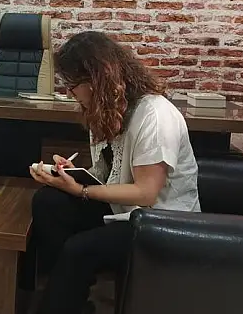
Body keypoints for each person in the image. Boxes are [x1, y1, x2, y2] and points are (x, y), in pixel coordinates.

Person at [29, 31, 200, 314]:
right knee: (48, 202)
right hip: (124, 209)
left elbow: (146, 193)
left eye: (73, 85)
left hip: (161, 221)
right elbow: (110, 172)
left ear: (97, 79)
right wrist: (75, 174)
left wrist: (81, 190)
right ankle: (68, 294)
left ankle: (63, 297)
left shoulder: (155, 115)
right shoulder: (107, 108)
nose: (70, 93)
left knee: (79, 249)